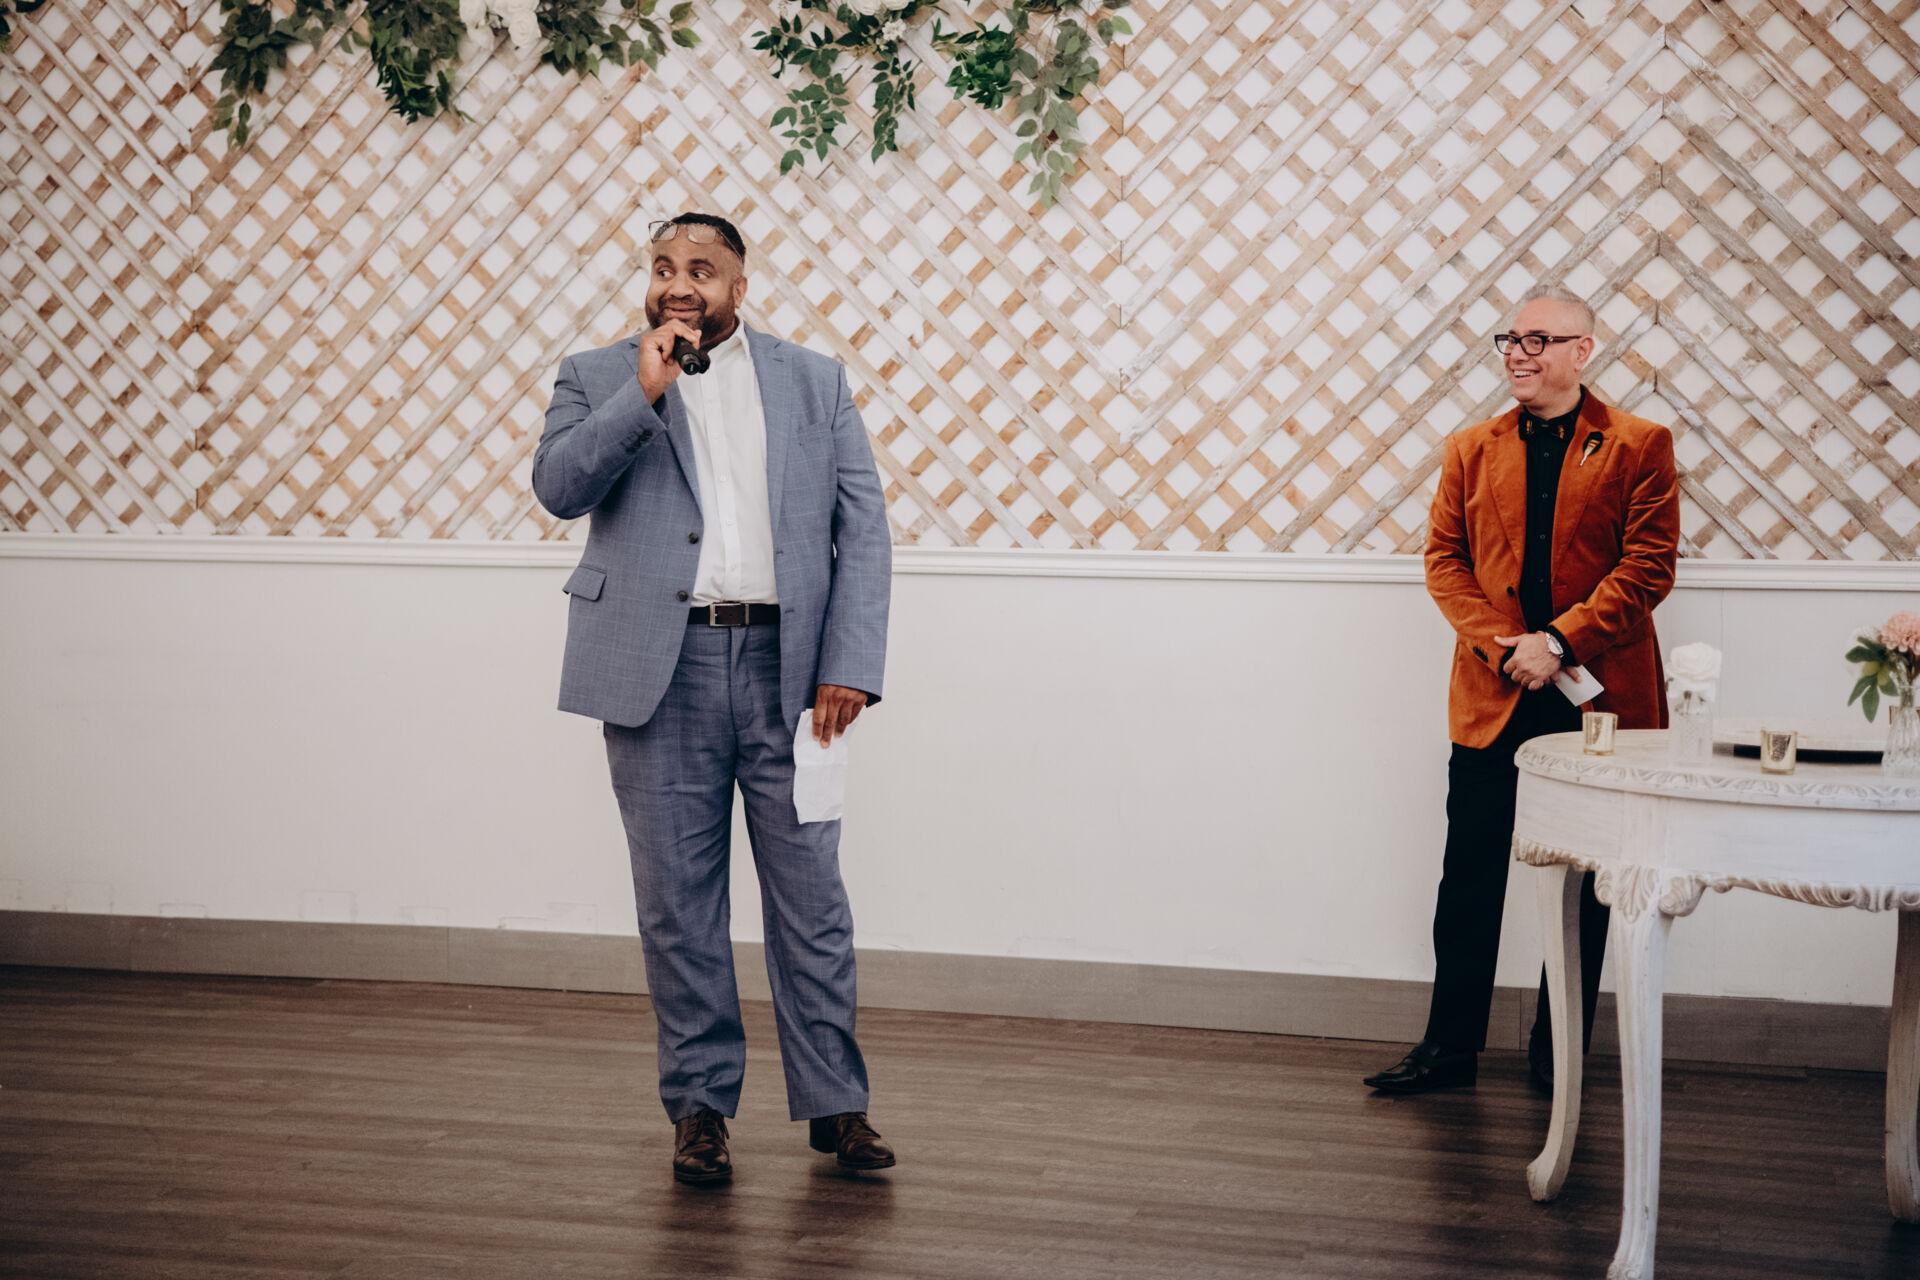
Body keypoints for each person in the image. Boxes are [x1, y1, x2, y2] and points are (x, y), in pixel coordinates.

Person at [532, 212, 895, 1182]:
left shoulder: (813, 381)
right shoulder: (598, 375)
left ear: (739, 285)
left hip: (794, 673)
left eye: (702, 268)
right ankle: (698, 1112)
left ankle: (837, 1105)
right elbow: (559, 488)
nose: (678, 283)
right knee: (678, 907)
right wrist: (644, 392)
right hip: (660, 671)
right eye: (663, 266)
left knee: (811, 900)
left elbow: (862, 527)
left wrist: (850, 661)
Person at [1364, 283, 1680, 1095]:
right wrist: (1506, 648)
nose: (1518, 353)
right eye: (1511, 339)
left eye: (1538, 340)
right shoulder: (1470, 448)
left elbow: (1648, 569)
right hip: (1494, 688)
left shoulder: (1640, 444)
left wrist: (1559, 643)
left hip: (1598, 701)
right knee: (1469, 874)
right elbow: (1444, 562)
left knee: (1588, 885)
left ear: (1583, 350)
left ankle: (1558, 1050)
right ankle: (1448, 1047)